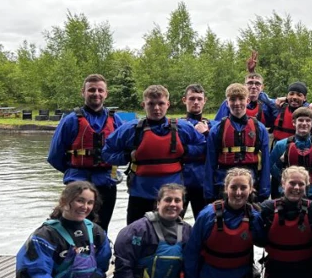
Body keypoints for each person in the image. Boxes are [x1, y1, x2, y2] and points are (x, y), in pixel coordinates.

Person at [102, 84, 206, 224]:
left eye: (161, 104)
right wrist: (127, 156)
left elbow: (202, 146)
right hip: (140, 194)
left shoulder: (182, 128)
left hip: (172, 196)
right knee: (136, 238)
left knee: (172, 240)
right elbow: (107, 153)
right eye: (151, 104)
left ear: (167, 104)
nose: (156, 108)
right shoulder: (131, 129)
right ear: (143, 104)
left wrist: (186, 150)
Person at [185, 168, 265, 278]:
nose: (238, 192)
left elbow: (263, 241)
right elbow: (191, 253)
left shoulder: (254, 217)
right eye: (234, 187)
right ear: (226, 189)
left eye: (243, 188)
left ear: (251, 189)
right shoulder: (207, 215)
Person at [112, 183, 192, 278]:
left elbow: (187, 270)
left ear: (183, 205)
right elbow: (123, 272)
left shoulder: (188, 232)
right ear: (158, 203)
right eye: (168, 200)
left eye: (177, 200)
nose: (173, 204)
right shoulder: (136, 230)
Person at [47, 74, 124, 232]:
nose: (96, 93)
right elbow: (55, 156)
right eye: (91, 90)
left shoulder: (116, 120)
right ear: (83, 92)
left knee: (101, 228)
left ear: (106, 93)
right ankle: (75, 256)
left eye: (100, 90)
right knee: (75, 227)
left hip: (106, 182)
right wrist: (75, 169)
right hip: (77, 183)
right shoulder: (70, 120)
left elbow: (124, 151)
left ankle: (99, 255)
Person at [204, 83, 271, 202]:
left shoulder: (259, 128)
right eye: (232, 99)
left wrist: (264, 189)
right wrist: (209, 191)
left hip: (251, 182)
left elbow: (265, 160)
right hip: (224, 182)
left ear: (248, 100)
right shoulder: (217, 130)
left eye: (241, 99)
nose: (237, 103)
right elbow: (210, 162)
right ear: (226, 102)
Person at [271, 107, 312, 201]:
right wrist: (280, 162)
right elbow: (271, 170)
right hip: (288, 191)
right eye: (300, 120)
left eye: (308, 121)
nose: (304, 123)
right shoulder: (281, 145)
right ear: (294, 123)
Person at [181, 84, 212, 218]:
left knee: (203, 221)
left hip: (203, 182)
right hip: (180, 181)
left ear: (205, 101)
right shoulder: (177, 126)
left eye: (199, 99)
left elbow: (216, 150)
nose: (196, 102)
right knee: (173, 223)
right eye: (192, 98)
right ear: (184, 100)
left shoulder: (213, 126)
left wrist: (207, 134)